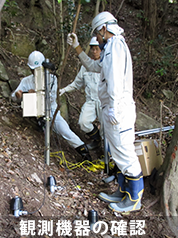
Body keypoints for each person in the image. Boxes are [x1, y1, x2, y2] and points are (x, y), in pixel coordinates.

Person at [67, 11, 143, 213]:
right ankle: (123, 192)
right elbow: (93, 66)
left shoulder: (115, 46)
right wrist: (76, 47)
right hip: (113, 108)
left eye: (97, 34)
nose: (97, 39)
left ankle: (134, 198)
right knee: (117, 152)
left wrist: (115, 108)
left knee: (125, 154)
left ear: (103, 28)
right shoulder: (110, 48)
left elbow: (116, 81)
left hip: (119, 110)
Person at [12, 51, 92, 162]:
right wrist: (18, 95)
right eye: (33, 69)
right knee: (28, 101)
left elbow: (50, 99)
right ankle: (38, 123)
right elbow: (14, 97)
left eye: (37, 69)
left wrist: (35, 94)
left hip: (51, 110)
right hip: (33, 111)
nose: (35, 72)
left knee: (65, 131)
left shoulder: (52, 79)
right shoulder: (26, 81)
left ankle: (84, 152)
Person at [59, 37, 103, 151]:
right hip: (91, 101)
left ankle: (107, 154)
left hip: (104, 101)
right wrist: (64, 90)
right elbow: (76, 83)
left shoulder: (106, 65)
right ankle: (97, 139)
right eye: (92, 49)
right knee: (83, 122)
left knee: (107, 130)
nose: (94, 51)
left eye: (97, 49)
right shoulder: (85, 66)